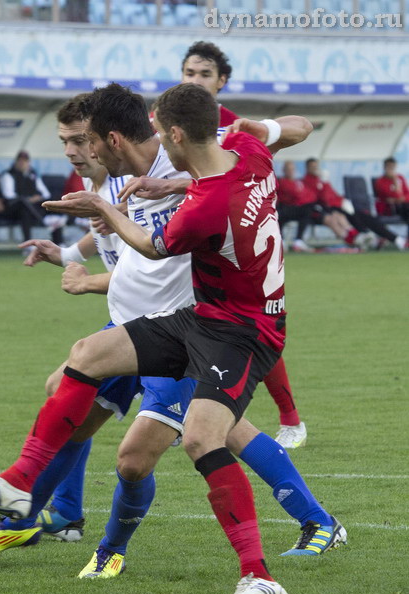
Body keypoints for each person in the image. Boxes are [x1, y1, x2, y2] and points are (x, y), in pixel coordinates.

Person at [0, 84, 347, 594]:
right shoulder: (247, 152)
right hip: (192, 318)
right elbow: (292, 130)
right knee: (83, 360)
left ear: (172, 134)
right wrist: (256, 130)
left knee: (196, 441)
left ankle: (258, 567)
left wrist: (104, 213)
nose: (77, 149)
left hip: (236, 330)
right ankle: (24, 490)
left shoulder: (203, 201)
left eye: (80, 140)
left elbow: (154, 246)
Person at [142, 41, 308, 448]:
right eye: (189, 73)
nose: (195, 80)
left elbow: (223, 182)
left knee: (239, 323)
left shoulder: (236, 128)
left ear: (222, 82)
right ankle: (187, 411)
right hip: (184, 235)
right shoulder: (160, 120)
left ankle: (285, 419)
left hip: (220, 237)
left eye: (204, 74)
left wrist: (175, 185)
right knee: (200, 327)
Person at [303, 158, 406, 251]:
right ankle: (365, 235)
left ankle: (396, 239)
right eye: (313, 167)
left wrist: (343, 201)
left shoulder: (320, 179)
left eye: (316, 166)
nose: (315, 169)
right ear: (307, 168)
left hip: (340, 206)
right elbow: (323, 199)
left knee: (368, 217)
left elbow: (334, 194)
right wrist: (325, 183)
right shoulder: (307, 181)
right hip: (328, 209)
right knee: (348, 217)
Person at [0, 150, 53, 242]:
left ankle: (59, 240)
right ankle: (43, 222)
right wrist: (28, 199)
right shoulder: (8, 175)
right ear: (16, 162)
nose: (22, 163)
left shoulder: (33, 174)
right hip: (13, 208)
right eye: (20, 161)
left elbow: (46, 193)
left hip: (31, 207)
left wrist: (37, 198)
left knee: (52, 202)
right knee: (23, 205)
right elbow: (9, 195)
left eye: (25, 161)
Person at [277, 160, 323, 252]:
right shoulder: (281, 181)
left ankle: (298, 240)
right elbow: (295, 194)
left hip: (296, 208)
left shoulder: (298, 182)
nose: (290, 171)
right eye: (288, 169)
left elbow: (309, 194)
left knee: (308, 210)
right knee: (278, 213)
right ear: (284, 170)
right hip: (284, 208)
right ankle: (281, 240)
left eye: (292, 169)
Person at [374, 157, 409, 238]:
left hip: (403, 206)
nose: (391, 170)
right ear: (384, 167)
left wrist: (402, 199)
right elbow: (389, 197)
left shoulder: (401, 178)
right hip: (390, 209)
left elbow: (407, 194)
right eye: (389, 167)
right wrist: (395, 182)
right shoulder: (380, 181)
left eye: (393, 167)